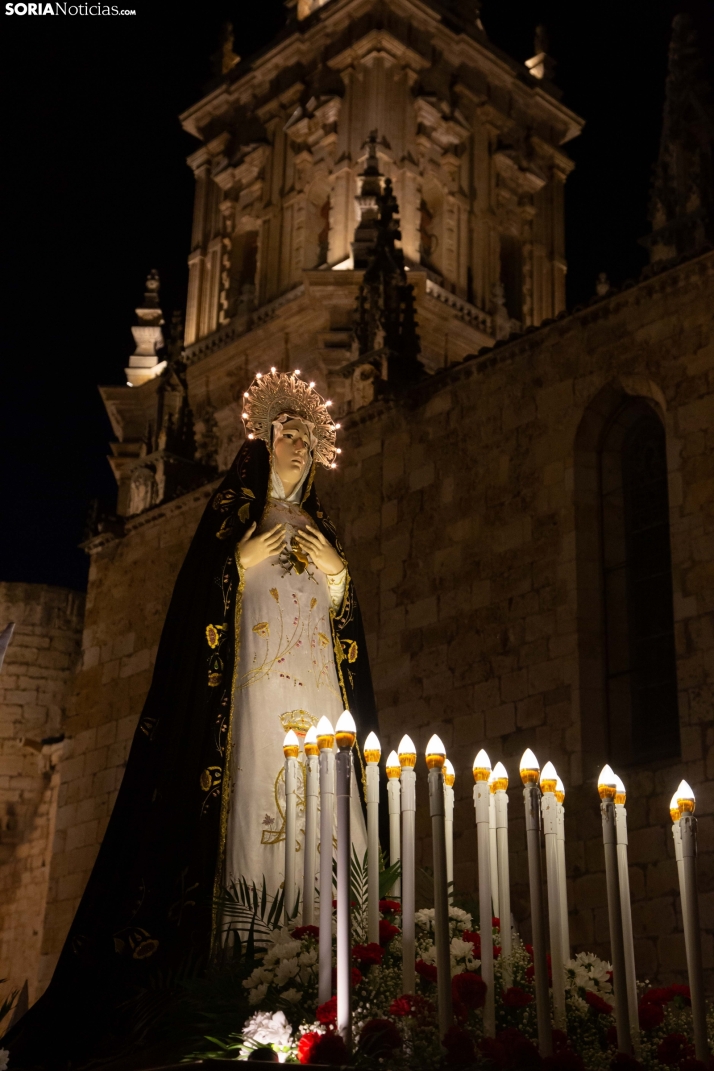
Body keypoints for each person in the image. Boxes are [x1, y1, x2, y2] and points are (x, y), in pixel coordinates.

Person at [6, 370, 379, 1069]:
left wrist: (337, 577)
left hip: (319, 701)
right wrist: (239, 562)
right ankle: (243, 979)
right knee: (254, 827)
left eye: (305, 438)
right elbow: (198, 608)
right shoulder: (237, 527)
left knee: (326, 835)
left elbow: (347, 634)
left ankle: (340, 979)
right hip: (256, 707)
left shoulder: (325, 535)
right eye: (283, 436)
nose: (294, 447)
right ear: (263, 446)